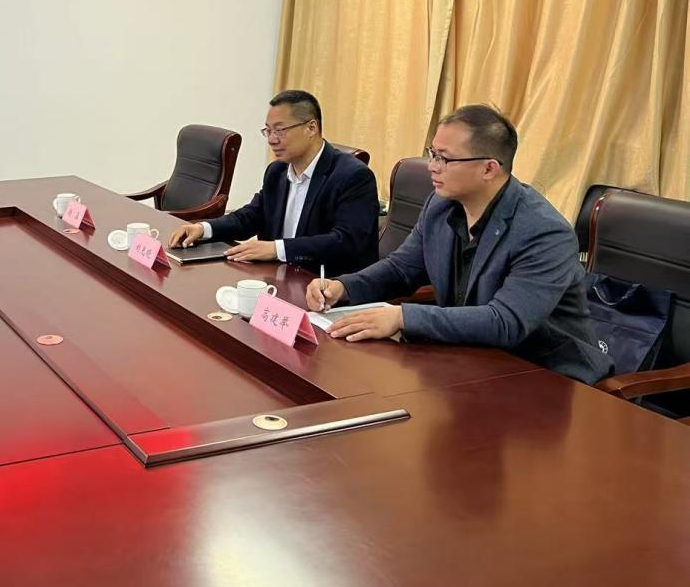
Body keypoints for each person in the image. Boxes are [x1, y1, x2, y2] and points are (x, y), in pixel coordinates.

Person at [305, 105, 612, 384]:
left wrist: (403, 317)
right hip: (470, 359)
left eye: (445, 158)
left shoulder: (544, 233)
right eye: (432, 153)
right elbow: (402, 269)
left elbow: (506, 322)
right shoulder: (440, 206)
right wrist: (343, 287)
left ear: (489, 168)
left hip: (546, 376)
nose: (432, 167)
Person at [168, 90, 380, 276]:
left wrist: (276, 249)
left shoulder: (353, 176)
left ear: (311, 128)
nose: (271, 140)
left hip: (326, 286)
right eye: (268, 131)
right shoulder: (277, 171)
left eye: (280, 130)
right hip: (278, 277)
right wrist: (204, 229)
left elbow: (346, 242)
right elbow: (252, 216)